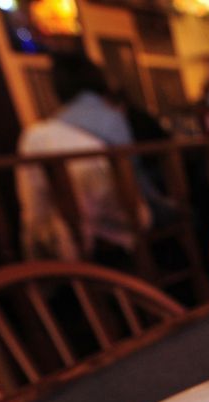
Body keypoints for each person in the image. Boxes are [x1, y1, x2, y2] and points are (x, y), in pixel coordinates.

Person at [16, 52, 150, 261]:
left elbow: (34, 203)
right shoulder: (112, 116)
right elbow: (134, 172)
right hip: (124, 218)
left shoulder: (39, 134)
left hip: (70, 234)